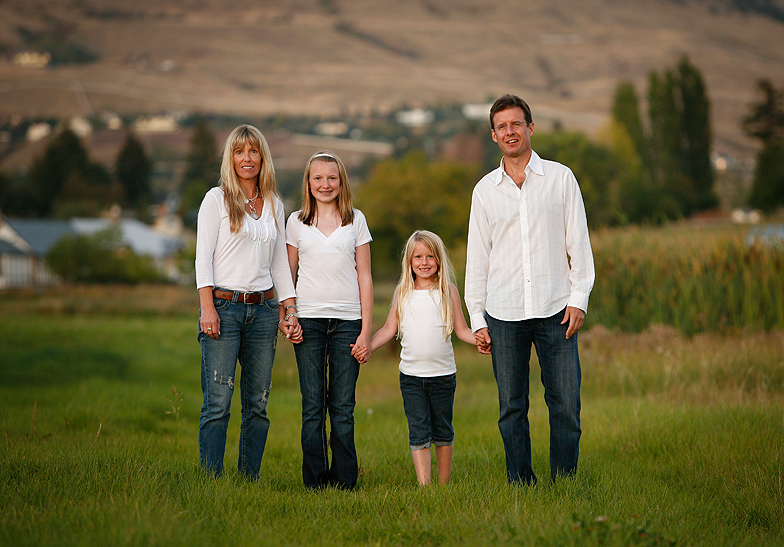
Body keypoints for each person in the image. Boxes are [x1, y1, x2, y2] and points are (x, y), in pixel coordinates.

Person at [465, 94, 595, 485]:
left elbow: (579, 245)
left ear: (530, 127)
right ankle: (521, 482)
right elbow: (478, 258)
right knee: (510, 407)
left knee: (566, 405)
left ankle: (565, 483)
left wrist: (579, 300)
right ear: (493, 135)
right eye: (502, 126)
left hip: (557, 309)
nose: (510, 131)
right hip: (503, 314)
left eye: (516, 124)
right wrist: (477, 316)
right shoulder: (485, 191)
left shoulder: (560, 178)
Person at [195, 124, 301, 480]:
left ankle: (247, 480)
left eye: (253, 151)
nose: (247, 159)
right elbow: (202, 258)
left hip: (264, 312)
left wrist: (289, 308)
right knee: (218, 402)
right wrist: (206, 306)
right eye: (239, 152)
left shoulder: (274, 203)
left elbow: (278, 265)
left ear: (262, 157)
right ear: (231, 158)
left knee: (257, 404)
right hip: (223, 308)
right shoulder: (216, 199)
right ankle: (211, 481)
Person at [358, 230, 475, 486]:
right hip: (411, 378)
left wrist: (482, 339)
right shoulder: (403, 292)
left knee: (443, 430)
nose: (424, 262)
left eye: (430, 256)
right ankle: (425, 485)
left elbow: (463, 330)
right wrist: (367, 346)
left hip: (443, 376)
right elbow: (389, 329)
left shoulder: (449, 291)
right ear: (409, 262)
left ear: (439, 260)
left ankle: (443, 485)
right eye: (418, 257)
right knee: (419, 431)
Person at [286, 151, 373, 490]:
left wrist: (366, 331)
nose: (325, 184)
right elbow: (287, 272)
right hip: (308, 321)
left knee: (343, 407)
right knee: (312, 405)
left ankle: (345, 482)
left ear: (341, 182)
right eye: (318, 178)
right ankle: (316, 481)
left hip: (348, 322)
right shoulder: (296, 222)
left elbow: (364, 276)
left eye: (332, 178)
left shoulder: (356, 220)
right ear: (308, 182)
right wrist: (288, 315)